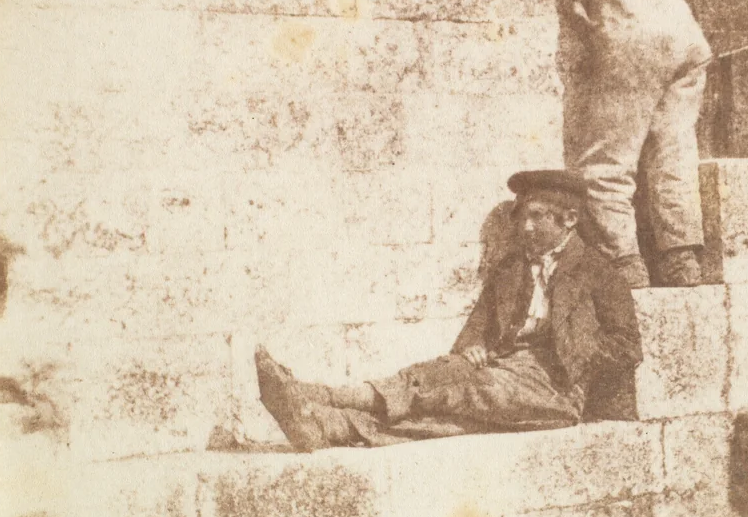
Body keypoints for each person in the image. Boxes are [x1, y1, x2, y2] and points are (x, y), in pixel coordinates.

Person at [255, 169, 642, 451]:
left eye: (537, 216)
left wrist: (579, 349)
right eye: (522, 216)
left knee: (465, 388)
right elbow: (479, 323)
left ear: (569, 220)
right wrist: (472, 346)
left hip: (558, 387)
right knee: (447, 392)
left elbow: (628, 347)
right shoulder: (511, 269)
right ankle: (326, 425)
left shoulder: (598, 272)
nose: (524, 226)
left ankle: (315, 394)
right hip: (503, 368)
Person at [493, 0, 712, 289]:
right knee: (672, 153)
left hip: (634, 32)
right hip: (684, 33)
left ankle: (624, 266)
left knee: (606, 161)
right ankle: (682, 261)